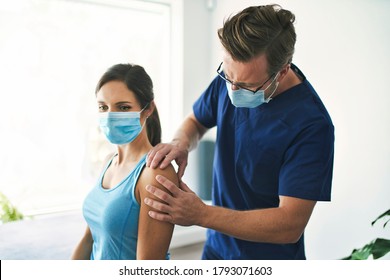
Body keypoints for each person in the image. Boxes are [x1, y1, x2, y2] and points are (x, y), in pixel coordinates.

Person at [144, 4, 334, 260]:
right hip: (216, 251)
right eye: (228, 77)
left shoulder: (311, 126)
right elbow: (196, 120)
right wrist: (180, 143)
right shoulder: (233, 77)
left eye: (247, 86)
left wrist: (201, 214)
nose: (232, 90)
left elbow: (290, 225)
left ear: (282, 71)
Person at [71, 63, 178, 260]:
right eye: (103, 107)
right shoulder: (108, 163)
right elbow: (89, 239)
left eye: (123, 107)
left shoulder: (155, 173)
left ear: (148, 110)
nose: (110, 116)